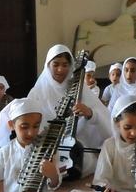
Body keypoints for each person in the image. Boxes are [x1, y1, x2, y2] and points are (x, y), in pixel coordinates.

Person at [22, 45, 112, 177]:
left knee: (85, 161)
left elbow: (103, 116)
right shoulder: (37, 91)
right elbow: (29, 121)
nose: (60, 69)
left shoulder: (79, 88)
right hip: (45, 144)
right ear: (48, 65)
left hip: (76, 143)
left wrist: (89, 113)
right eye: (56, 64)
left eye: (65, 65)